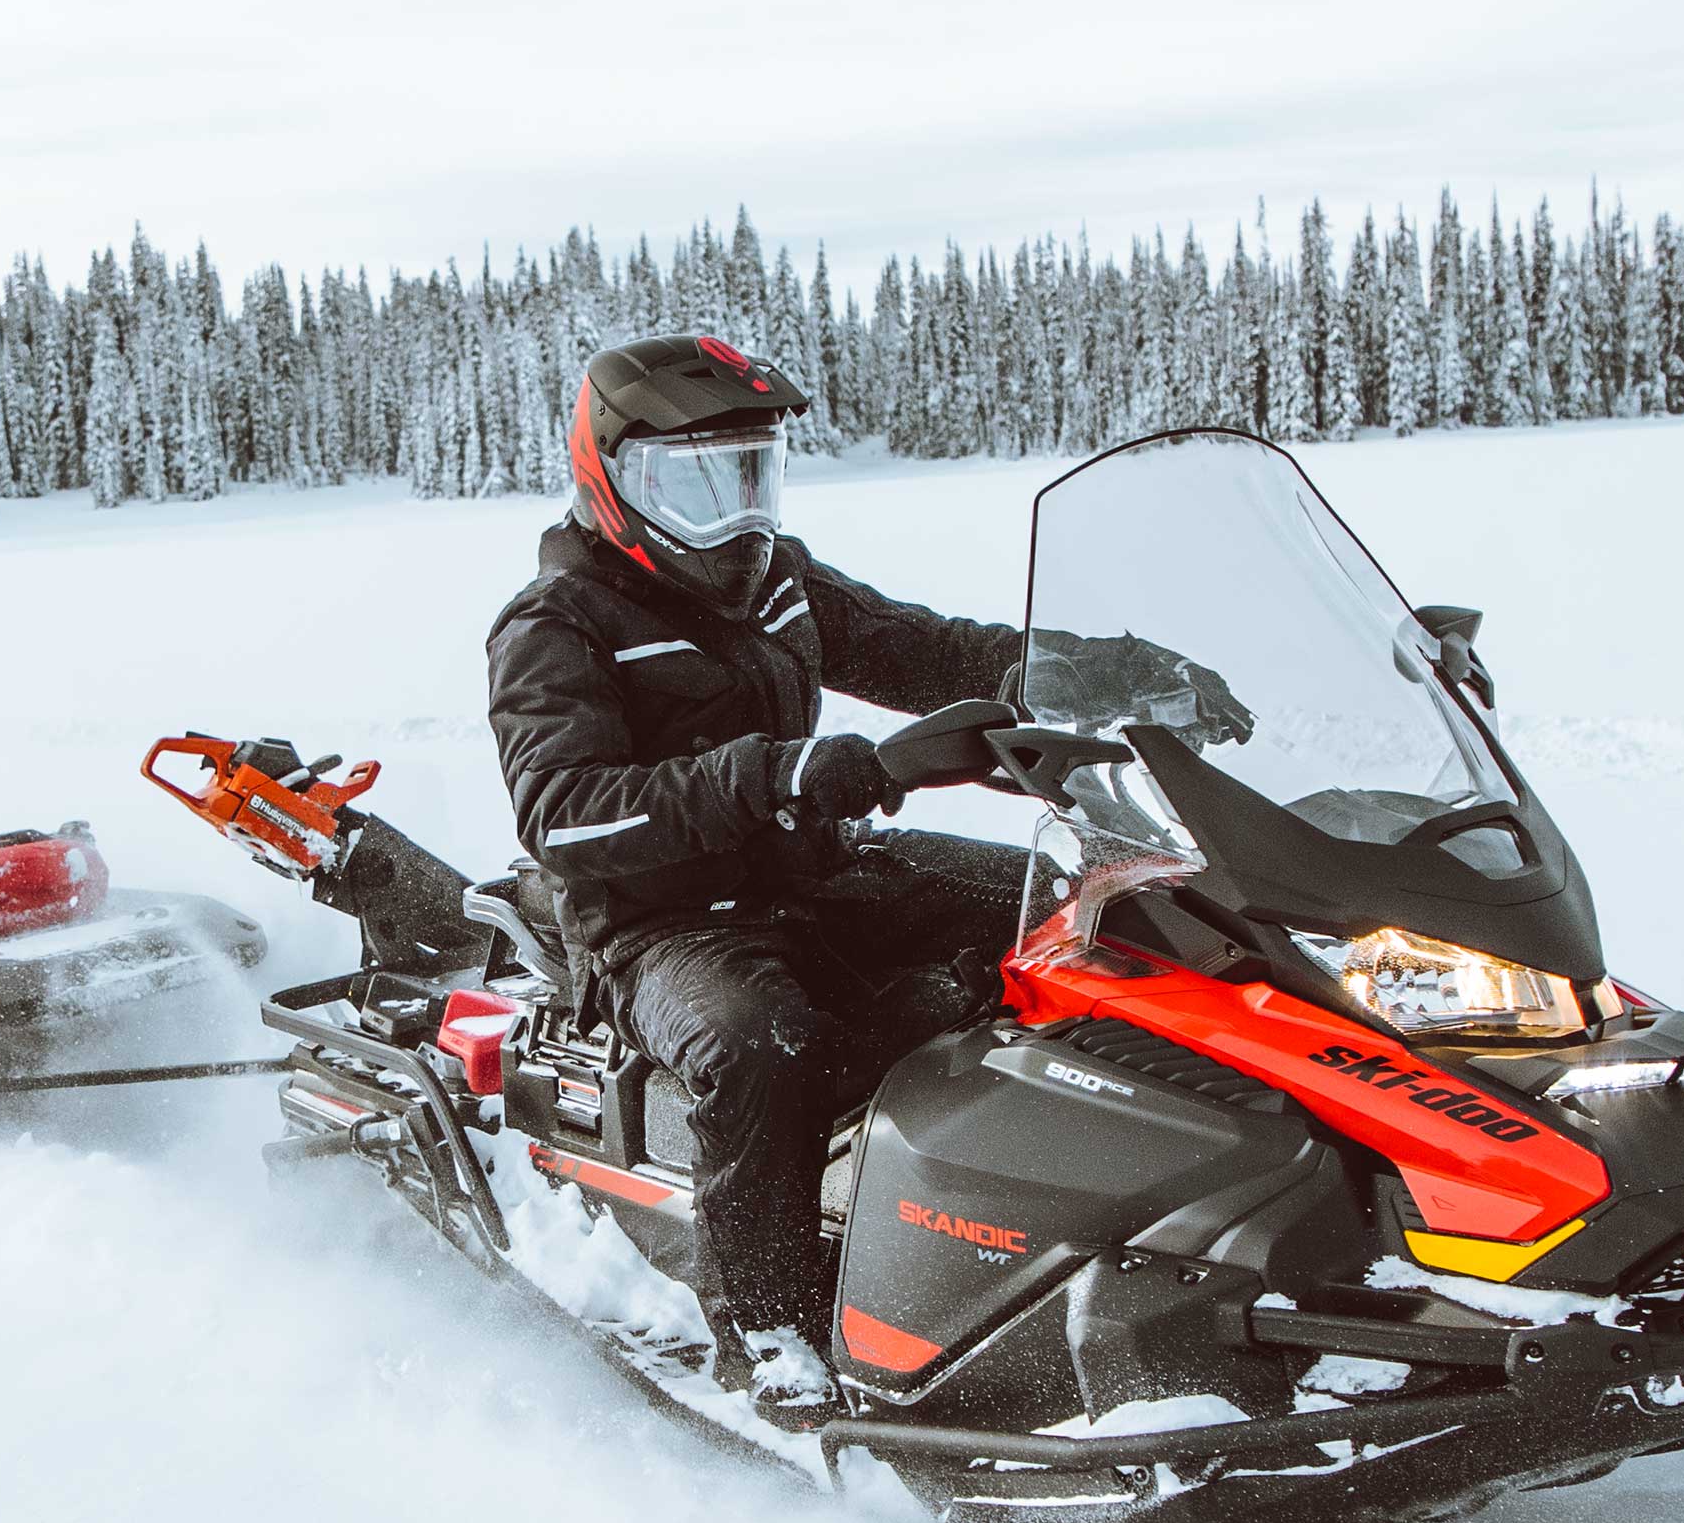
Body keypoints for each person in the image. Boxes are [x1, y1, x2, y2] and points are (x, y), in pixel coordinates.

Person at [483, 334, 1246, 1428]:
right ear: (612, 477)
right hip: (662, 925)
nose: (736, 513)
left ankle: (1139, 1202)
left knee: (1091, 906)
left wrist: (1116, 668)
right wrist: (816, 770)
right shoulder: (555, 625)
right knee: (759, 1043)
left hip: (818, 872)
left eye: (753, 474)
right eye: (696, 481)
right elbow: (568, 812)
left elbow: (927, 650)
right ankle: (770, 1331)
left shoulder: (778, 581)